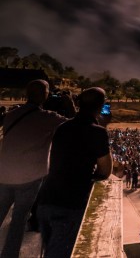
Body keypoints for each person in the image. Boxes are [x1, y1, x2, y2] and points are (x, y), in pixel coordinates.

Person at [37, 87, 112, 258]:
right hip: (70, 203)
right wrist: (103, 126)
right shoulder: (98, 132)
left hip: (46, 198)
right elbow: (106, 171)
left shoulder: (62, 127)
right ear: (101, 106)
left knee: (48, 250)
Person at [0, 80, 66, 258]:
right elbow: (72, 126)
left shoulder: (11, 115)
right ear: (44, 94)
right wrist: (68, 103)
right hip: (29, 177)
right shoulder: (48, 118)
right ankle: (9, 255)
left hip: (5, 173)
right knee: (19, 220)